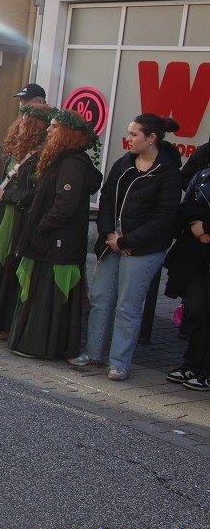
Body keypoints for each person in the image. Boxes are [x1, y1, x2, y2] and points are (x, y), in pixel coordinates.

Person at [70, 114, 182, 380]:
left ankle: (119, 362)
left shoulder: (168, 172)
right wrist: (110, 234)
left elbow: (165, 216)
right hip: (112, 242)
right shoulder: (124, 163)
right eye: (128, 133)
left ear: (151, 138)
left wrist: (127, 240)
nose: (128, 139)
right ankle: (94, 353)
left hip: (142, 248)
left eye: (134, 134)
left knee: (127, 306)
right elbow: (106, 199)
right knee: (100, 299)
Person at [7, 111, 103, 359]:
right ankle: (36, 343)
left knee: (49, 297)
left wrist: (41, 227)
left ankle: (40, 345)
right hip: (53, 242)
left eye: (54, 126)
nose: (48, 130)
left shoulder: (71, 164)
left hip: (57, 245)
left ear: (67, 133)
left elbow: (65, 206)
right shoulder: (62, 160)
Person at [0, 105, 50, 337]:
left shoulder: (41, 158)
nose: (21, 124)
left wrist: (7, 196)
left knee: (9, 269)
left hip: (19, 218)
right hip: (3, 214)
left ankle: (4, 322)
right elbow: (5, 178)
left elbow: (38, 193)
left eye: (26, 122)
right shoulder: (18, 153)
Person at [163, 163, 210, 391]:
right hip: (196, 256)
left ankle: (206, 371)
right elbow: (186, 206)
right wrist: (197, 226)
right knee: (197, 310)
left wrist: (207, 226)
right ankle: (191, 365)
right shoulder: (204, 174)